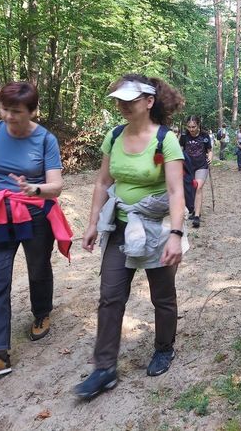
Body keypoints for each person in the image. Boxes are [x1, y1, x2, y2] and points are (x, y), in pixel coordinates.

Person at [74, 74, 187, 400]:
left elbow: (175, 190)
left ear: (149, 102)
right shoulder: (114, 136)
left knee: (162, 296)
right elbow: (101, 182)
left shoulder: (165, 140)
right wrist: (93, 222)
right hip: (121, 226)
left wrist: (176, 235)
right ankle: (104, 368)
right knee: (110, 297)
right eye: (119, 100)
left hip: (156, 227)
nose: (122, 105)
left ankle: (164, 348)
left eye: (130, 100)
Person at [0, 81, 72, 382]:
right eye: (4, 109)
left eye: (16, 111)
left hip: (35, 213)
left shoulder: (45, 140)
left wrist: (34, 188)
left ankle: (42, 312)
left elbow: (57, 186)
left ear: (32, 111)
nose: (9, 116)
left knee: (37, 269)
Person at [179, 116, 212, 228]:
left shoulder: (205, 136)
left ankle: (197, 216)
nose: (191, 129)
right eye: (189, 127)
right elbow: (179, 149)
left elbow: (210, 150)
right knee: (189, 188)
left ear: (198, 125)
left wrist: (210, 158)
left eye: (194, 127)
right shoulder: (184, 136)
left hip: (201, 165)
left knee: (197, 186)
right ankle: (192, 209)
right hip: (187, 166)